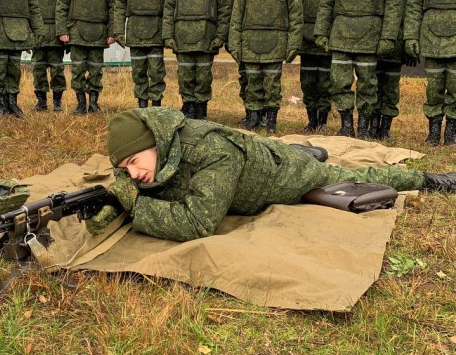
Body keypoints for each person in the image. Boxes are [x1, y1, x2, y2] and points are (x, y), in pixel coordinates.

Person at [84, 107, 456, 242]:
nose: (133, 173)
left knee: (339, 172)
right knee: (272, 147)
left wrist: (136, 208)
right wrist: (116, 199)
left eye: (135, 161)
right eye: (125, 168)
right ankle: (304, 149)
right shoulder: (154, 154)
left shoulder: (212, 152)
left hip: (282, 175)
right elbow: (135, 183)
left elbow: (198, 223)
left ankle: (429, 179)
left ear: (157, 141)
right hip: (252, 158)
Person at [314, 0, 402, 138]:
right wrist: (321, 32)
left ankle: (363, 128)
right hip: (341, 35)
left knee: (367, 85)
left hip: (369, 36)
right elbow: (327, 2)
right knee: (339, 83)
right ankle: (346, 126)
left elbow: (394, 4)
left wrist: (388, 37)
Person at [228, 0, 302, 133]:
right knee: (252, 84)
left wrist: (293, 44)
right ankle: (253, 122)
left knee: (272, 86)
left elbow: (296, 16)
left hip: (276, 43)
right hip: (249, 43)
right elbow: (236, 16)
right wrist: (234, 44)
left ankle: (271, 124)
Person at [162, 0, 231, 120]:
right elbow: (168, 8)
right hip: (182, 36)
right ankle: (188, 106)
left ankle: (201, 108)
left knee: (203, 76)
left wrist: (220, 36)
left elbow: (225, 9)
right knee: (184, 75)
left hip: (206, 37)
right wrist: (168, 35)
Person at [405, 0, 456, 146]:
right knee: (434, 88)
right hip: (432, 35)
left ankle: (452, 133)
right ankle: (433, 133)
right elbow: (414, 1)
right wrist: (410, 36)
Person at [55, 0, 115, 114]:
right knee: (78, 69)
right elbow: (61, 6)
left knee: (96, 70)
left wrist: (112, 32)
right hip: (76, 32)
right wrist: (62, 30)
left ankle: (94, 103)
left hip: (99, 32)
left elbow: (113, 7)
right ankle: (81, 103)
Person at [113, 0, 171, 108]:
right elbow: (120, 4)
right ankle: (142, 105)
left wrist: (168, 33)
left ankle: (156, 105)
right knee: (138, 71)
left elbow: (170, 6)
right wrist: (118, 30)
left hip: (156, 30)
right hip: (135, 30)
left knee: (156, 71)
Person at [369, 0, 415, 141]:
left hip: (396, 42)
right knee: (371, 85)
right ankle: (372, 126)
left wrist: (408, 42)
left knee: (390, 88)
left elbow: (411, 11)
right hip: (372, 41)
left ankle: (385, 128)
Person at [297, 0, 340, 134]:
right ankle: (311, 120)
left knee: (325, 84)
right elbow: (297, 8)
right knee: (308, 83)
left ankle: (323, 121)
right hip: (307, 41)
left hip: (328, 40)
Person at [29, 0, 66, 113]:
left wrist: (63, 30)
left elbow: (65, 7)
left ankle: (57, 101)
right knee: (38, 68)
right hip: (38, 33)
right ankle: (41, 101)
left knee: (57, 69)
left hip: (56, 33)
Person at [231, 0, 258, 124]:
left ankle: (262, 116)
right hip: (244, 40)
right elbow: (232, 11)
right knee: (246, 78)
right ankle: (249, 113)